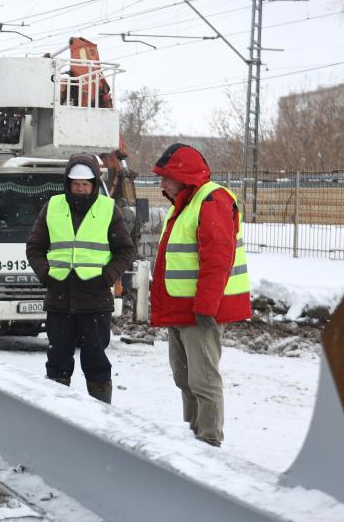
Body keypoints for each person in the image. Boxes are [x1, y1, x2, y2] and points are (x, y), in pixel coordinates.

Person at [149, 143, 251, 447]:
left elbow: (218, 258)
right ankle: (191, 437)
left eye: (166, 176)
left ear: (184, 175)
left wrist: (206, 307)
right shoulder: (183, 204)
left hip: (200, 312)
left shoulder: (212, 200)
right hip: (181, 308)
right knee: (183, 378)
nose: (161, 183)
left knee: (203, 380)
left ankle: (208, 442)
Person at [25, 154, 135, 403]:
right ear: (68, 183)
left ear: (94, 183)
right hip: (59, 300)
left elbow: (125, 251)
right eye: (76, 184)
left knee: (96, 363)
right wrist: (46, 275)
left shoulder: (108, 208)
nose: (81, 189)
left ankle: (100, 416)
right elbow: (34, 247)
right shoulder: (53, 206)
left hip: (95, 301)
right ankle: (57, 414)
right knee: (57, 364)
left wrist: (107, 277)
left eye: (86, 184)